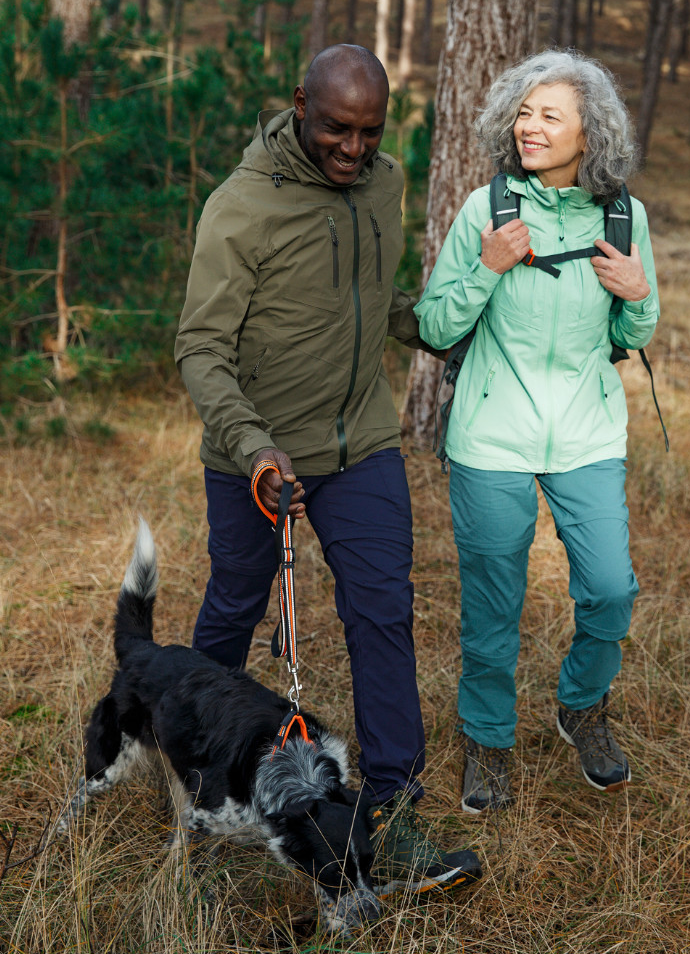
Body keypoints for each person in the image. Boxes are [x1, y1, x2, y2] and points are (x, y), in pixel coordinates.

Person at [175, 44, 480, 893]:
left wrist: (458, 327)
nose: (354, 149)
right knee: (233, 608)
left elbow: (375, 301)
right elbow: (200, 346)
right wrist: (255, 447)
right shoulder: (242, 206)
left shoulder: (383, 185)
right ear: (300, 104)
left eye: (370, 132)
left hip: (361, 445)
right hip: (257, 452)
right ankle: (199, 784)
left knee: (383, 610)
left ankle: (395, 813)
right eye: (338, 129)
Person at [414, 49, 659, 813]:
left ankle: (581, 705)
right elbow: (433, 325)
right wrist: (487, 267)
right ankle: (488, 740)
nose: (531, 127)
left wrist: (639, 294)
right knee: (493, 608)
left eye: (551, 115)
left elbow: (631, 332)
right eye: (524, 113)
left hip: (588, 432)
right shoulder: (485, 211)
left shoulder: (623, 217)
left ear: (591, 133)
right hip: (492, 437)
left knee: (610, 590)